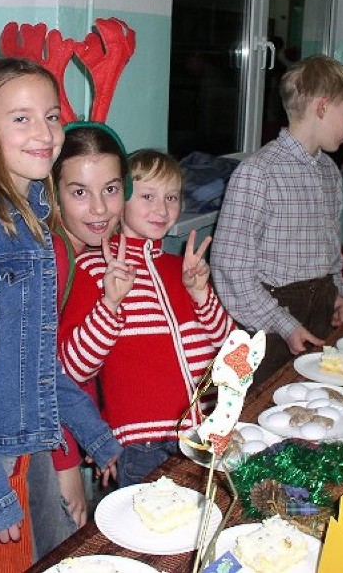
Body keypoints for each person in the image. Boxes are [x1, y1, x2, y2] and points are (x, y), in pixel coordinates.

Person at [0, 58, 121, 568]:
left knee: (61, 554)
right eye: (20, 118)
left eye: (51, 115)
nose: (44, 132)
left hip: (31, 440)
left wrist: (93, 431)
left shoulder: (37, 218)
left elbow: (36, 363)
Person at [58, 149, 233, 487]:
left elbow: (233, 352)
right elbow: (73, 368)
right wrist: (110, 302)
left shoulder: (181, 268)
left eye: (172, 197)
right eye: (148, 196)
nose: (162, 208)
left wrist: (201, 295)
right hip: (143, 447)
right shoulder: (94, 269)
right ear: (120, 200)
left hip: (206, 433)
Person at [210, 55, 343, 377]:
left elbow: (331, 258)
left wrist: (339, 299)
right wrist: (284, 324)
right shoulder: (257, 173)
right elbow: (231, 271)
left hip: (318, 310)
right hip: (267, 327)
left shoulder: (329, 172)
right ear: (322, 107)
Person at [50, 120, 129, 527]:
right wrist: (66, 467)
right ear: (54, 194)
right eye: (80, 192)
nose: (99, 209)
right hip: (49, 449)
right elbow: (40, 375)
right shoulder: (55, 259)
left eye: (110, 190)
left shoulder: (91, 252)